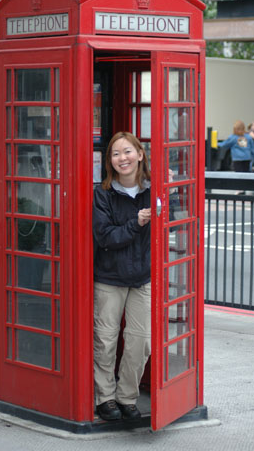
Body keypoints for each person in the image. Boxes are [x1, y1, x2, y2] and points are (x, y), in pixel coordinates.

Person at [92, 132, 151, 422]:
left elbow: (175, 225)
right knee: (105, 340)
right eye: (116, 154)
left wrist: (174, 190)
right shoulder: (103, 193)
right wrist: (137, 223)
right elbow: (105, 236)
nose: (122, 158)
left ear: (140, 154)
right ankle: (105, 397)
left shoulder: (155, 191)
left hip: (143, 277)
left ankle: (127, 397)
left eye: (127, 152)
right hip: (110, 277)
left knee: (141, 341)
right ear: (110, 162)